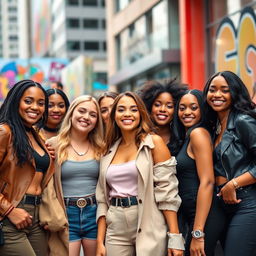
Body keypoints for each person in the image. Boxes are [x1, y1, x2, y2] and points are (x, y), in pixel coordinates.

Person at [96, 91, 184, 256]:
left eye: (133, 109)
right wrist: (100, 242)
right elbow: (102, 199)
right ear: (114, 115)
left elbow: (168, 192)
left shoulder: (153, 143)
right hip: (115, 224)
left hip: (148, 218)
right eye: (121, 110)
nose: (127, 114)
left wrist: (175, 237)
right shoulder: (108, 149)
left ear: (141, 113)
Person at [0, 80, 68, 255]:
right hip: (11, 213)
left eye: (40, 103)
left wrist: (48, 157)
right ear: (16, 101)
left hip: (37, 216)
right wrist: (9, 210)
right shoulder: (5, 132)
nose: (35, 107)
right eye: (28, 101)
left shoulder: (36, 135)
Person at [203, 70, 256, 256]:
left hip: (247, 202)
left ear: (234, 93)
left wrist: (233, 183)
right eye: (212, 90)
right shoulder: (213, 126)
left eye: (224, 90)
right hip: (221, 203)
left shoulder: (243, 121)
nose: (217, 95)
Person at [46, 95, 104, 256]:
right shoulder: (53, 145)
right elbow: (46, 185)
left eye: (93, 115)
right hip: (65, 213)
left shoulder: (102, 147)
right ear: (71, 113)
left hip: (94, 213)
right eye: (82, 111)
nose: (86, 117)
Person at [171, 89, 225, 256]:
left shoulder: (198, 134)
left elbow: (208, 182)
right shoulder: (188, 135)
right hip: (195, 213)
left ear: (202, 109)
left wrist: (198, 233)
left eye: (193, 107)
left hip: (204, 214)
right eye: (182, 108)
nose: (187, 112)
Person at [138, 79, 187, 147]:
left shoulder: (183, 137)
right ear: (149, 107)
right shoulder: (140, 136)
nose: (162, 109)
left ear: (175, 110)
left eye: (169, 106)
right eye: (157, 105)